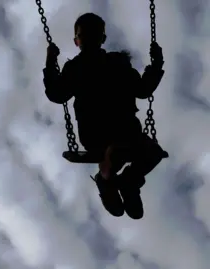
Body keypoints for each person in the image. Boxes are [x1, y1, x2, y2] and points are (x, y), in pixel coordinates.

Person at [43, 13, 165, 219]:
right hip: (95, 133)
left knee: (153, 153)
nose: (89, 39)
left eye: (94, 34)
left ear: (102, 39)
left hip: (127, 129)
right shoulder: (75, 68)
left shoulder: (118, 63)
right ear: (77, 41)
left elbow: (142, 89)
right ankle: (107, 179)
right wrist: (50, 61)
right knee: (116, 151)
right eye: (84, 35)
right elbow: (57, 94)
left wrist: (156, 64)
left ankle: (128, 183)